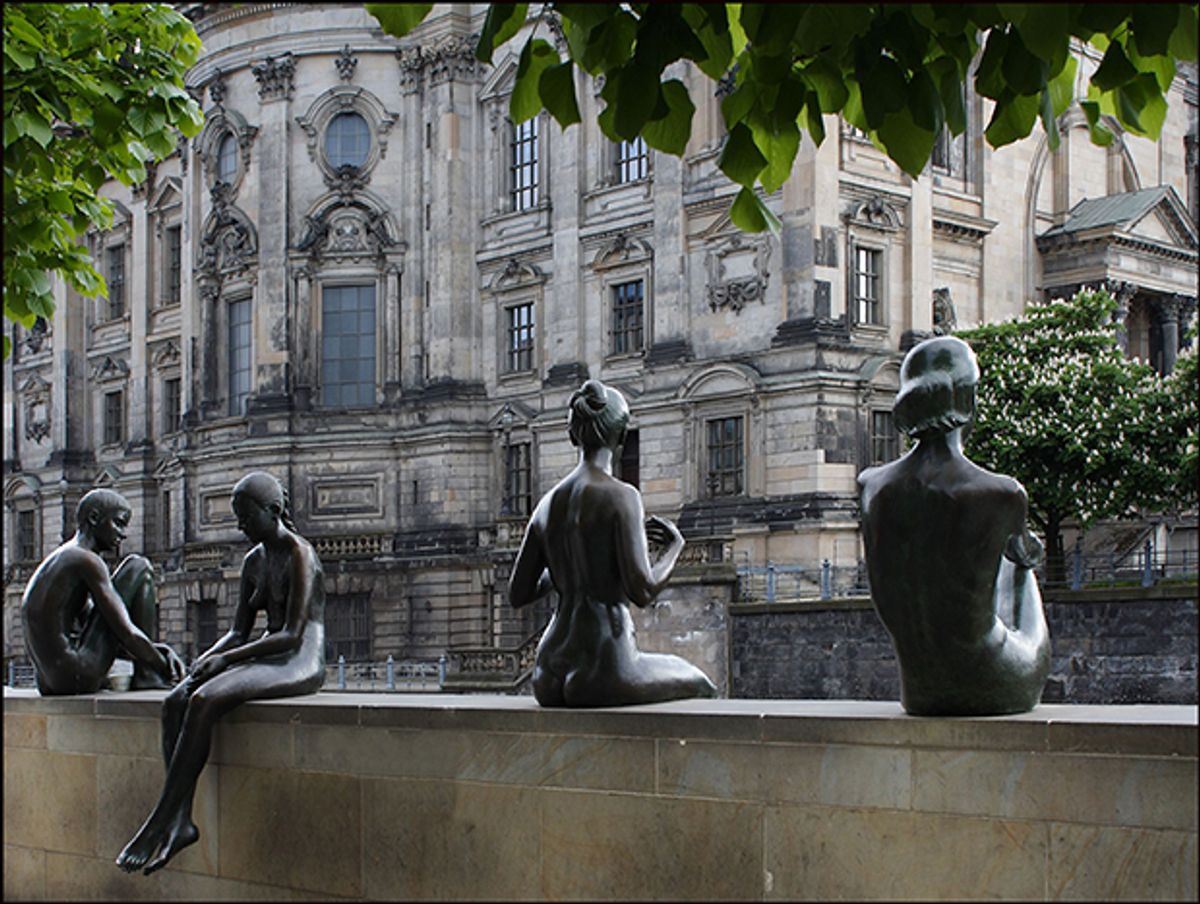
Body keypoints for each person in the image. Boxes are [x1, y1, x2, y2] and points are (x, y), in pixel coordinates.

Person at [117, 471, 325, 875]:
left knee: (205, 699)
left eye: (246, 516)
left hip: (300, 659)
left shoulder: (300, 554)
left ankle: (160, 818)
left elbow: (291, 634)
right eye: (238, 517)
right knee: (177, 699)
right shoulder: (253, 560)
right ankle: (180, 821)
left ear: (274, 511)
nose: (240, 526)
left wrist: (226, 662)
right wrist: (205, 659)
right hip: (268, 654)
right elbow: (236, 632)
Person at [858, 336, 1051, 716]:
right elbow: (1019, 558)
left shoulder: (870, 486)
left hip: (918, 692)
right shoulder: (1001, 493)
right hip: (996, 681)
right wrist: (1023, 553)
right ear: (968, 400)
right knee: (1019, 563)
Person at [510, 379, 717, 707]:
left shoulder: (547, 504)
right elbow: (643, 590)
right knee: (700, 681)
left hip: (547, 669)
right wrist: (675, 547)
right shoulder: (622, 496)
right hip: (604, 664)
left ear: (571, 435)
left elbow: (518, 594)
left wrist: (562, 565)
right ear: (621, 436)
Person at [20, 489, 184, 695]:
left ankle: (148, 670)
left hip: (49, 682)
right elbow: (126, 633)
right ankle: (147, 675)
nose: (122, 534)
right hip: (78, 675)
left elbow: (104, 630)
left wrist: (157, 650)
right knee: (138, 566)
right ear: (94, 518)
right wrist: (164, 667)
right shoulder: (87, 560)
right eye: (118, 523)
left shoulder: (65, 557)